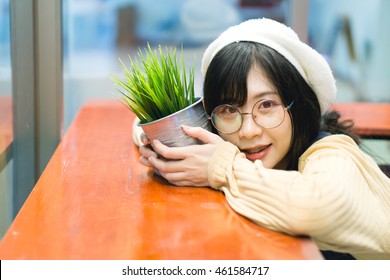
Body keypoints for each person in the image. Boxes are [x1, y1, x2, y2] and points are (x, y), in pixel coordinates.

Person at [132, 18, 390, 260]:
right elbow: (138, 125)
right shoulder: (222, 134)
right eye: (229, 109)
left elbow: (318, 209)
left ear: (298, 104)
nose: (247, 131)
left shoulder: (332, 152)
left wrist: (222, 166)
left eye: (266, 104)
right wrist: (161, 139)